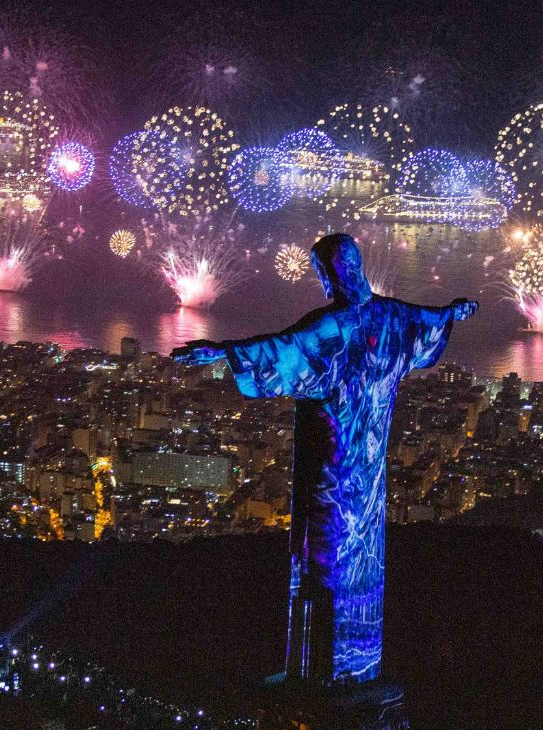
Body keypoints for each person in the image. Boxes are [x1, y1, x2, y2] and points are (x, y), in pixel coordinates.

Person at [172, 233, 477, 686]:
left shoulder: (331, 328)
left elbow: (282, 350)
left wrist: (221, 351)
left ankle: (322, 673)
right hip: (370, 473)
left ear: (331, 272)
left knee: (323, 557)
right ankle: (359, 664)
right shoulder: (394, 319)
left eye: (322, 272)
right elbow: (429, 324)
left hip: (331, 468)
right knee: (363, 557)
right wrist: (453, 312)